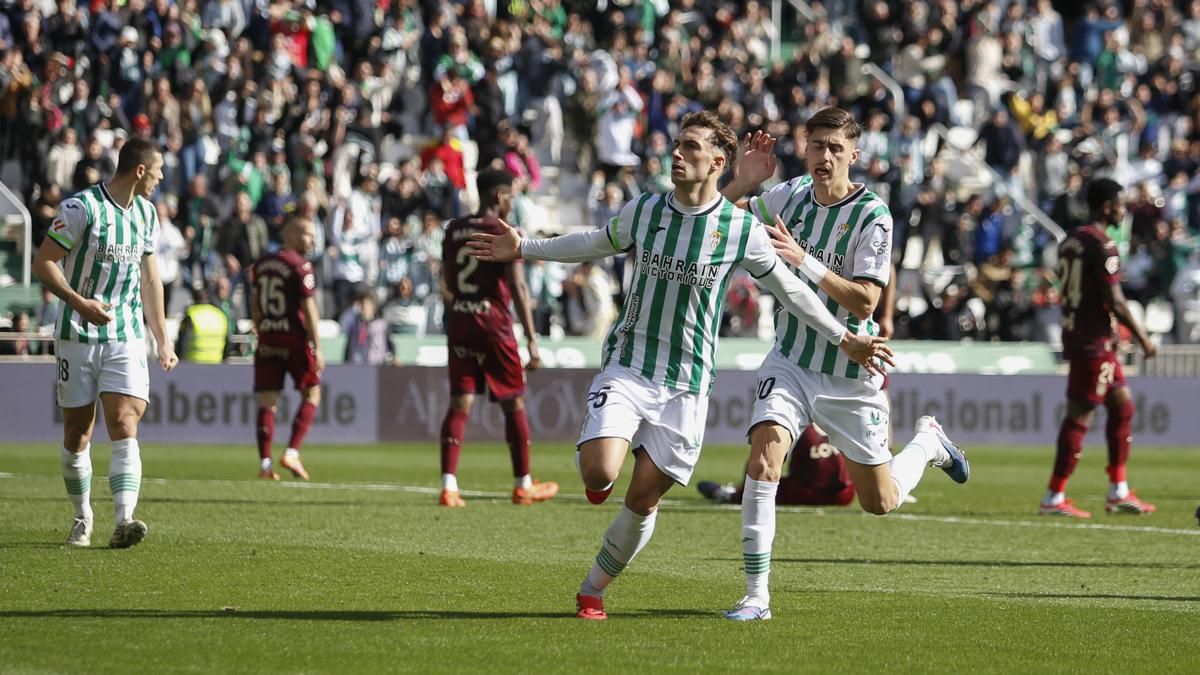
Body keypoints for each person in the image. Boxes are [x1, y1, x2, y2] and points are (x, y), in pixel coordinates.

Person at [468, 111, 892, 621]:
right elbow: (593, 241)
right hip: (629, 365)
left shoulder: (740, 230)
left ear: (716, 162)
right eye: (677, 144)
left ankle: (593, 589)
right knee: (600, 472)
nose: (676, 153)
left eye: (690, 147)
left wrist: (844, 337)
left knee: (644, 498)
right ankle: (739, 583)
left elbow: (793, 292)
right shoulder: (646, 209)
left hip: (688, 386)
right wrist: (525, 248)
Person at [718, 107, 969, 621]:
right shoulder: (789, 195)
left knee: (879, 501)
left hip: (851, 371)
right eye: (817, 145)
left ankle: (928, 443)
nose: (825, 156)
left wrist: (802, 260)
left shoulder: (873, 215)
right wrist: (743, 180)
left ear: (854, 154)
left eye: (836, 148)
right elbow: (712, 218)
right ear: (805, 148)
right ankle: (756, 596)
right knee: (764, 462)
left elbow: (865, 300)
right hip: (790, 359)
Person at [31, 137, 179, 548]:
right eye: (158, 171)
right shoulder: (82, 208)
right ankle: (82, 516)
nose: (161, 178)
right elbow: (43, 263)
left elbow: (151, 280)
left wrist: (162, 338)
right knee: (78, 433)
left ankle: (124, 519)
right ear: (140, 171)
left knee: (125, 421)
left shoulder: (147, 214)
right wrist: (80, 302)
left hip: (125, 335)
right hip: (77, 335)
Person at [437, 169, 557, 508]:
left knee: (460, 402)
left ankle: (449, 487)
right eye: (510, 197)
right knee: (513, 402)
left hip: (461, 320)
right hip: (494, 324)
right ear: (499, 196)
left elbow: (448, 282)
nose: (511, 203)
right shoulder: (504, 231)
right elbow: (518, 286)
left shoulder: (454, 229)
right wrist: (531, 339)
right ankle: (523, 485)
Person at [1040, 178, 1158, 518]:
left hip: (1087, 336)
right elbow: (1115, 300)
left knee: (1123, 407)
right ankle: (1054, 495)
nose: (1124, 211)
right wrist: (1143, 338)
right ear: (1107, 207)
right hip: (1091, 342)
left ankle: (1118, 490)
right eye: (1120, 205)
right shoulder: (1103, 244)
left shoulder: (1070, 240)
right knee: (1080, 414)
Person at [249, 216, 323, 482]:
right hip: (294, 338)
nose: (312, 240)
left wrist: (262, 328)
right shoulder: (300, 265)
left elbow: (255, 302)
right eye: (307, 234)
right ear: (290, 235)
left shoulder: (262, 264)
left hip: (268, 336)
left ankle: (265, 465)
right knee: (312, 394)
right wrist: (317, 346)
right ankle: (292, 451)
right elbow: (309, 309)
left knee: (267, 402)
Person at [698, 425, 856, 506]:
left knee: (762, 481)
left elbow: (764, 462)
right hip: (846, 494)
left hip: (807, 491)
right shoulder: (835, 418)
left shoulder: (795, 423)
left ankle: (731, 495)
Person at [177, 287, 228, 364]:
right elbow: (228, 340)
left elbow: (182, 342)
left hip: (192, 362)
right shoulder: (220, 314)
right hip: (216, 362)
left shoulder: (191, 315)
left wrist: (179, 360)